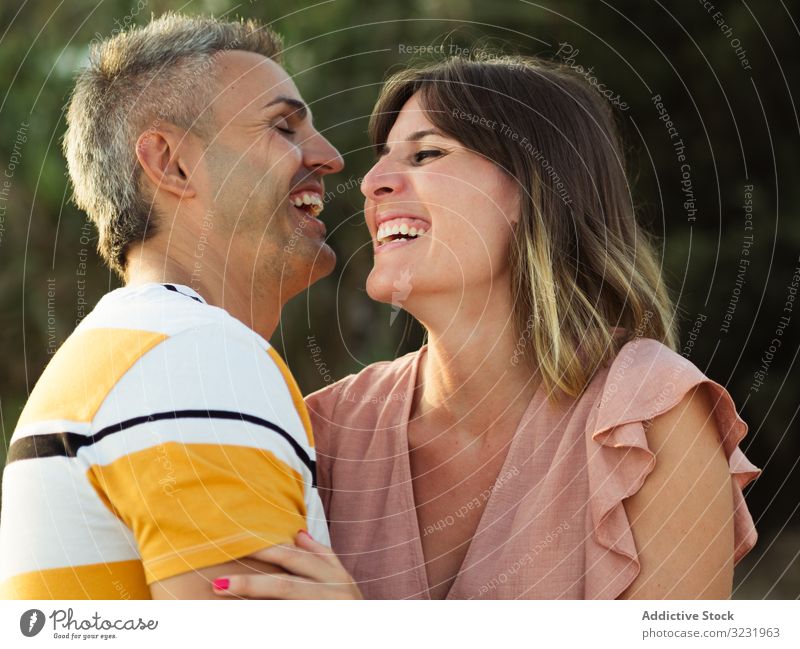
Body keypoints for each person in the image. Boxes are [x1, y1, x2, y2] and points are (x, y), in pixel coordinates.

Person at [218, 55, 761, 599]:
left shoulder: (648, 416)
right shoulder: (324, 429)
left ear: (538, 190)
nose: (373, 183)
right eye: (382, 161)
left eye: (427, 154)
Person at [0, 13, 359, 600]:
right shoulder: (197, 360)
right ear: (171, 163)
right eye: (284, 128)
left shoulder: (138, 354)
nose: (328, 156)